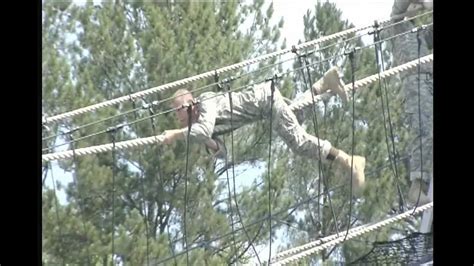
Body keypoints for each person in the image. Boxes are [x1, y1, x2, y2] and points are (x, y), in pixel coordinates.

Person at [161, 67, 367, 194]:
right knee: (298, 116)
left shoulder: (205, 101)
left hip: (265, 101)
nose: (178, 116)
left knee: (298, 143)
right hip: (265, 105)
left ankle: (347, 160)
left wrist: (177, 134)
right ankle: (324, 83)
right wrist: (205, 140)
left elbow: (204, 129)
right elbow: (222, 153)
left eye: (179, 109)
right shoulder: (202, 123)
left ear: (191, 103)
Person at [390, 0, 433, 205]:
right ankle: (417, 186)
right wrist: (425, 3)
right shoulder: (395, 25)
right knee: (423, 131)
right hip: (414, 82)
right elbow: (400, 4)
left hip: (428, 82)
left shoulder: (419, 33)